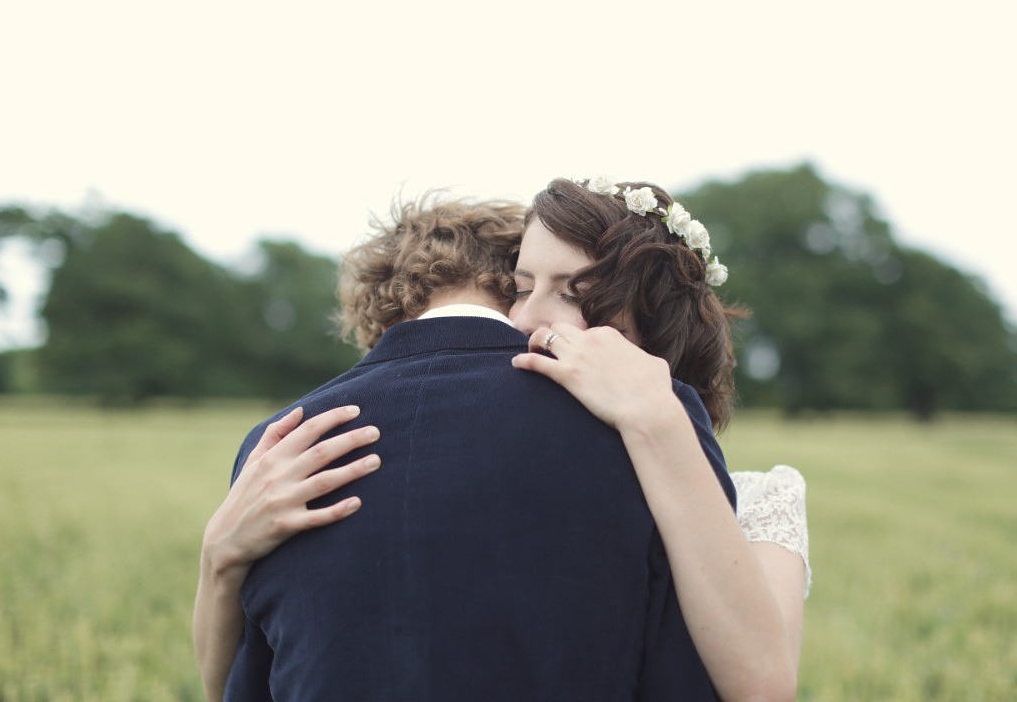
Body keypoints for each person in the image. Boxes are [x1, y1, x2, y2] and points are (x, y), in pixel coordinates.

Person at [195, 179, 810, 702]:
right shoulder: (644, 420)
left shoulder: (277, 444)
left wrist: (219, 558)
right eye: (520, 286)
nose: (526, 319)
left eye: (571, 291)